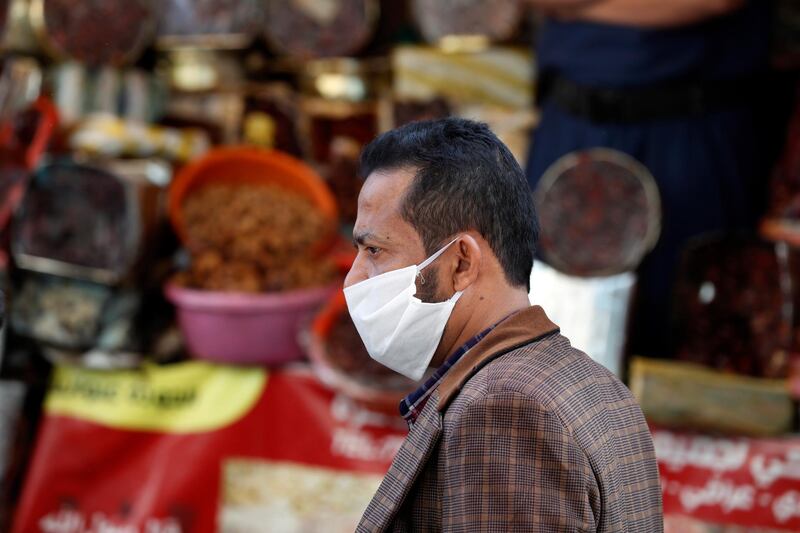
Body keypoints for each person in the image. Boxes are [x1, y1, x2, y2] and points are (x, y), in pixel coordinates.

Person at [344, 118, 663, 532]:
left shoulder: (502, 408)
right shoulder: (590, 382)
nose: (353, 279)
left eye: (375, 250)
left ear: (460, 262)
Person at [525, 0, 773, 357]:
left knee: (693, 350)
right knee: (558, 353)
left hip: (693, 129)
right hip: (574, 123)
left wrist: (574, 7)